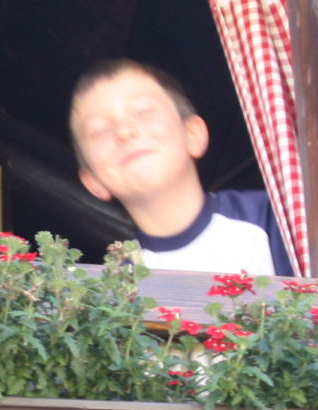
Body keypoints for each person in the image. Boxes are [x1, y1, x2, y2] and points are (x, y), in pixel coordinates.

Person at [68, 58, 288, 274]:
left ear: (192, 134)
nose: (124, 132)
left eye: (143, 112)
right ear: (94, 182)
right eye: (100, 130)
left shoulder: (274, 219)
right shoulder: (119, 295)